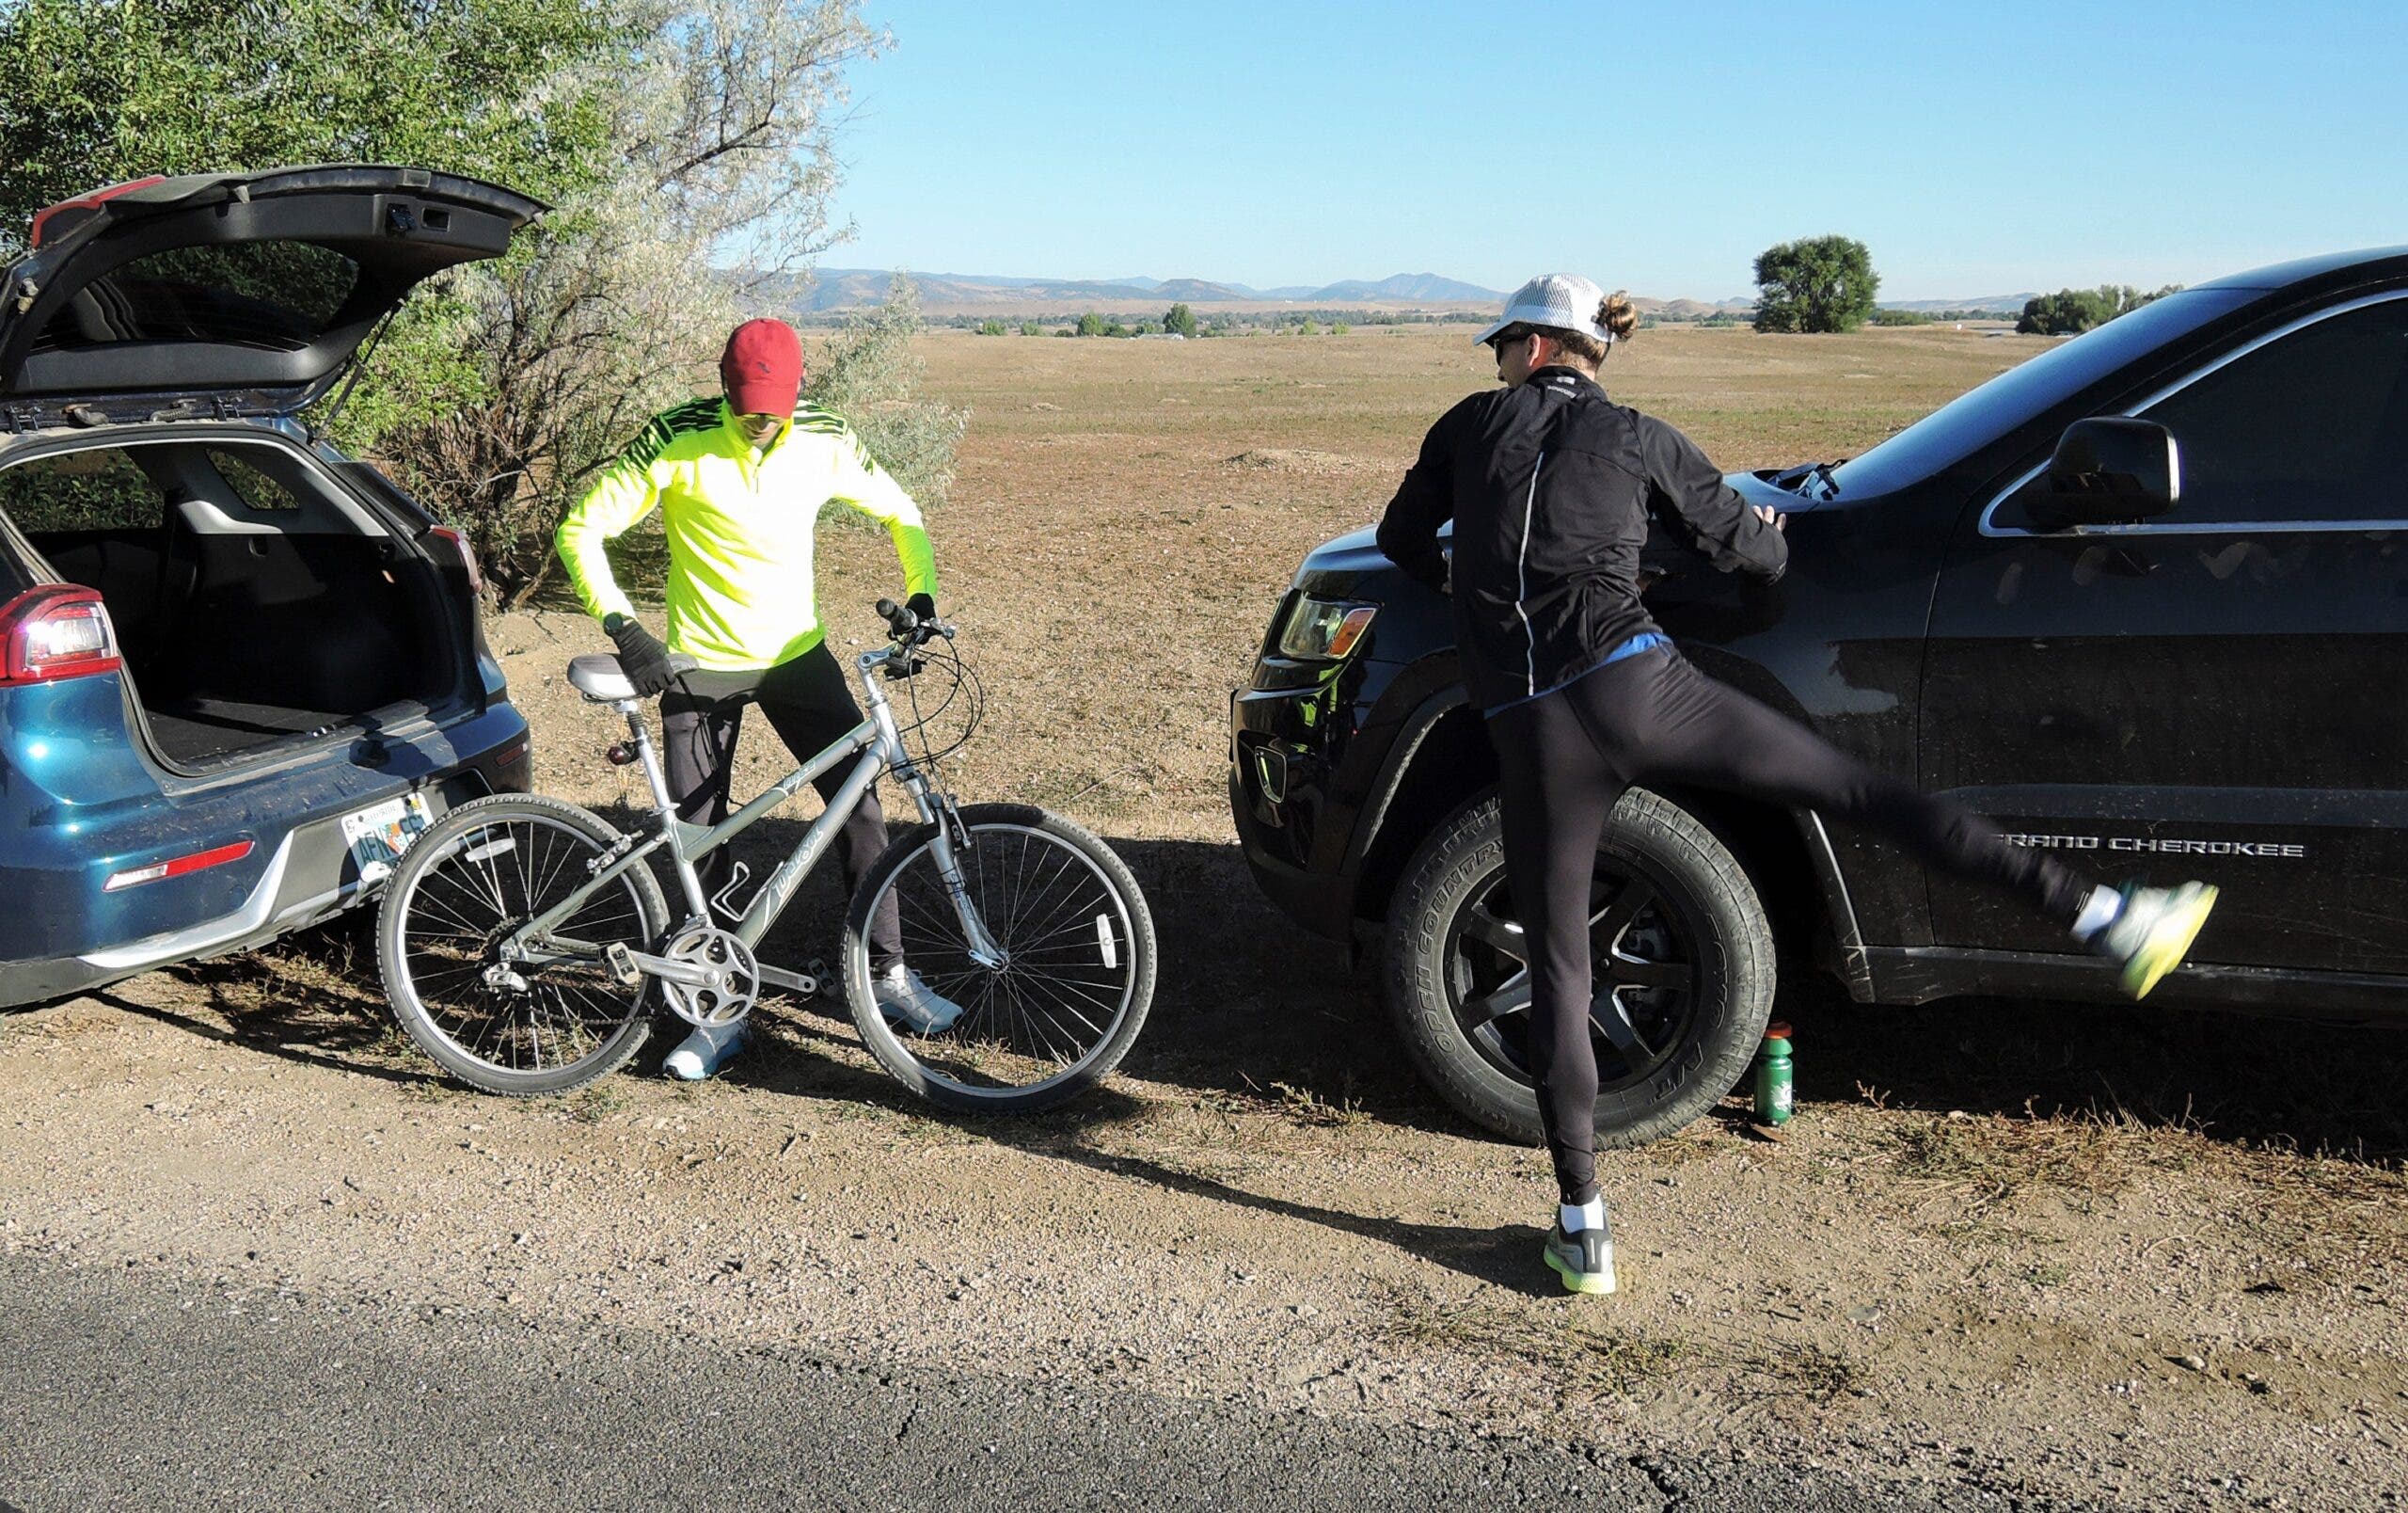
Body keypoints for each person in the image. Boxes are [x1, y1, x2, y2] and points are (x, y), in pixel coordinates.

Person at [1375, 274, 2218, 1298]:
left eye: (1503, 345)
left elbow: (1400, 542)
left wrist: (1471, 588)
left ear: (1537, 347)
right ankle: (2106, 917)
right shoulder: (1640, 438)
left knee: (1560, 967)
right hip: (1644, 688)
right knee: (1860, 793)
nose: (1499, 361)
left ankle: (1583, 1226)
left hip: (1532, 729)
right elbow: (1759, 555)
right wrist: (1699, 552)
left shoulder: (1468, 426)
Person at [556, 317, 965, 1081]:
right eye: (747, 410)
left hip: (795, 659)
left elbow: (901, 513)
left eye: (774, 411)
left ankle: (886, 975)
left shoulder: (825, 437)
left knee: (860, 811)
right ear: (723, 387)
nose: (761, 425)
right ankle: (713, 1010)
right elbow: (581, 530)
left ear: (799, 390)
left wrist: (922, 594)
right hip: (698, 668)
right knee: (700, 837)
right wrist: (625, 629)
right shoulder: (676, 437)